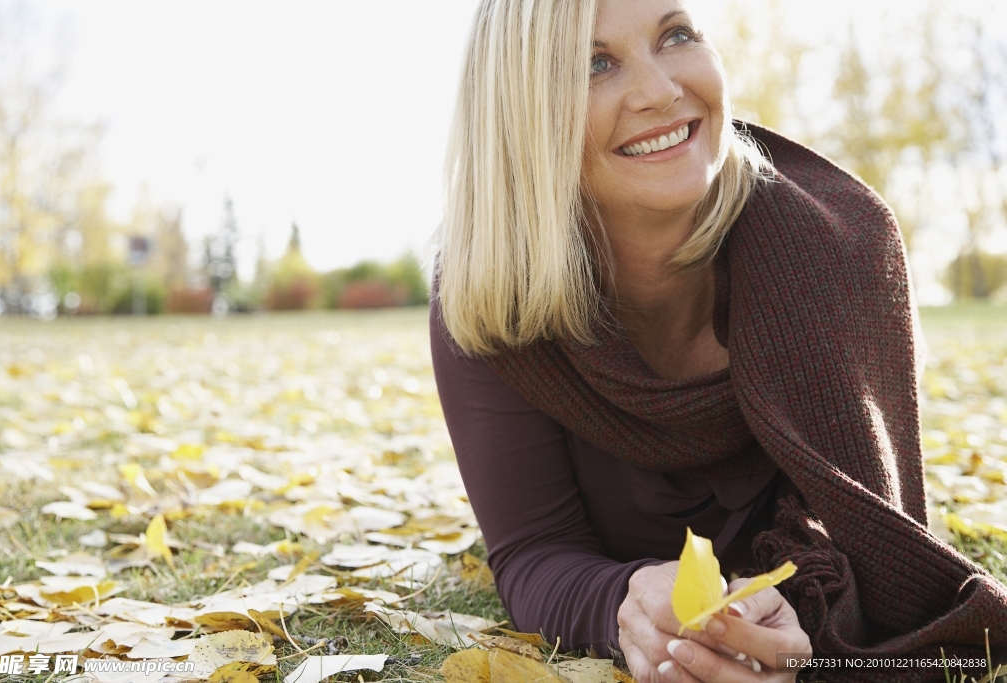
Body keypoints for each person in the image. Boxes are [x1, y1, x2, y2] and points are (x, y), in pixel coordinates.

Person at [430, 1, 1007, 681]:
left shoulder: (838, 246)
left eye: (676, 36)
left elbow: (872, 524)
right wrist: (626, 605)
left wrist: (797, 608)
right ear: (521, 112)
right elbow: (534, 552)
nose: (660, 90)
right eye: (595, 64)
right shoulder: (493, 294)